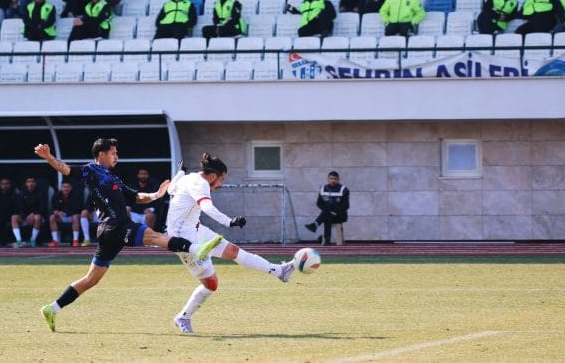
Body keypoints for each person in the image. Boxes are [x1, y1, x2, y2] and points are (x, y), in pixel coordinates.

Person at [35, 139, 225, 332]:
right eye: (113, 153)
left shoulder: (112, 177)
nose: (116, 156)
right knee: (154, 236)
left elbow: (135, 197)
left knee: (91, 279)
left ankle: (52, 308)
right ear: (101, 154)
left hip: (109, 231)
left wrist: (156, 195)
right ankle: (196, 249)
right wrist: (48, 156)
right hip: (116, 226)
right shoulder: (91, 170)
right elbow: (65, 169)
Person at [167, 153, 295, 334]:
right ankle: (183, 317)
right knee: (211, 285)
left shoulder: (188, 178)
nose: (220, 184)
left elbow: (170, 189)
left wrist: (180, 173)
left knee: (233, 251)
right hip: (184, 239)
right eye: (221, 179)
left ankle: (280, 271)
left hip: (196, 229)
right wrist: (229, 222)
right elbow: (206, 207)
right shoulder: (200, 183)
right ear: (212, 176)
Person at [305, 171, 349, 246]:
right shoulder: (323, 189)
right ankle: (327, 240)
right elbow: (319, 203)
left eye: (335, 179)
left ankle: (316, 225)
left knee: (328, 211)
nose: (333, 180)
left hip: (340, 215)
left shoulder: (344, 190)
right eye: (331, 178)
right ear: (328, 179)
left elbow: (346, 206)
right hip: (328, 215)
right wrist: (329, 211)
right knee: (327, 215)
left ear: (338, 180)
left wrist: (334, 211)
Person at [10, 176, 47, 247]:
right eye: (29, 182)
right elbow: (19, 208)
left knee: (37, 217)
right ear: (26, 183)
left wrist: (33, 214)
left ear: (35, 183)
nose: (31, 184)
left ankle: (33, 240)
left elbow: (42, 208)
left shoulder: (40, 193)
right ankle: (19, 241)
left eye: (33, 182)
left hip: (36, 216)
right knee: (14, 217)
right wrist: (25, 217)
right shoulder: (21, 193)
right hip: (24, 217)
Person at [48, 180, 85, 247]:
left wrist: (65, 213)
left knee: (75, 217)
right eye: (64, 187)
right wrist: (56, 211)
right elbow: (54, 207)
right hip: (61, 217)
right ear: (61, 188)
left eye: (68, 187)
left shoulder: (76, 195)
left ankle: (75, 240)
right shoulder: (57, 195)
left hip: (72, 216)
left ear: (71, 188)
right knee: (52, 217)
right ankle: (55, 241)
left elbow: (78, 209)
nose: (66, 189)